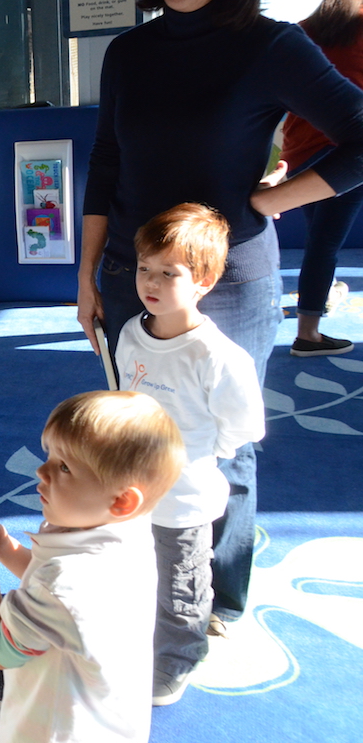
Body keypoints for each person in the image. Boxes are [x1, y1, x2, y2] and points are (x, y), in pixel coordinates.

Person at [78, 0, 363, 632]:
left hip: (226, 283)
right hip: (126, 276)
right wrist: (85, 273)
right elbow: (105, 160)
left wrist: (267, 201)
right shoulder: (126, 52)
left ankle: (221, 592)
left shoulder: (271, 44)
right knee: (136, 438)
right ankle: (153, 576)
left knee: (224, 446)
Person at [0, 391, 185, 743]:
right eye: (50, 457)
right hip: (107, 719)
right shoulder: (124, 530)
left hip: (56, 729)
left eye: (64, 467)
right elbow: (55, 590)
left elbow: (0, 649)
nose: (41, 471)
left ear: (121, 500)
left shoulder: (65, 582)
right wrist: (5, 549)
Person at [115, 204, 266, 705]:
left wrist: (198, 457)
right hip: (130, 491)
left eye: (169, 273)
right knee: (136, 571)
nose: (150, 283)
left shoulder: (219, 356)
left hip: (185, 496)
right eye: (144, 269)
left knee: (183, 583)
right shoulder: (132, 333)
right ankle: (137, 642)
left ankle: (180, 657)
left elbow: (242, 427)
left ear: (202, 281)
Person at [281, 0, 363, 357]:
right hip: (349, 154)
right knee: (325, 244)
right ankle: (308, 333)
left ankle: (322, 298)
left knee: (320, 240)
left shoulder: (302, 30)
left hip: (299, 152)